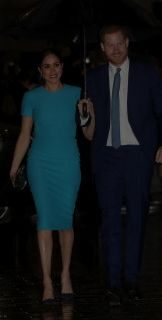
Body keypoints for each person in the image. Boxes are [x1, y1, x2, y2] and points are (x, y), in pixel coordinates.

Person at [77, 25, 162, 306]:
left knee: (136, 220)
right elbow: (87, 130)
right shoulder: (92, 78)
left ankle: (131, 280)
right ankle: (112, 283)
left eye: (119, 43)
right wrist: (84, 114)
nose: (115, 48)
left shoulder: (146, 74)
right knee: (108, 223)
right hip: (105, 156)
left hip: (137, 156)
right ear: (102, 48)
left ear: (127, 43)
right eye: (109, 44)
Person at [9, 49, 81, 304]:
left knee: (66, 220)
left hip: (68, 163)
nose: (52, 70)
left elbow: (90, 132)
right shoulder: (31, 97)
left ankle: (65, 276)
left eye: (56, 65)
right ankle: (47, 282)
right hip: (40, 163)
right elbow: (24, 133)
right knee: (45, 221)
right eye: (46, 66)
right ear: (40, 70)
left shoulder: (76, 94)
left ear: (62, 67)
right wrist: (14, 166)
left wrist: (87, 112)